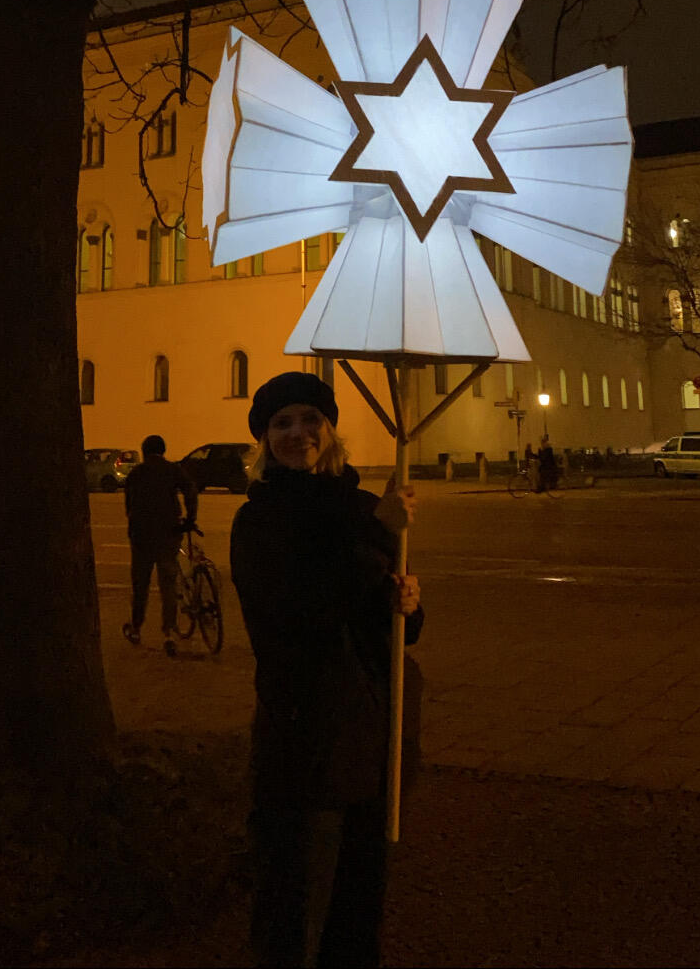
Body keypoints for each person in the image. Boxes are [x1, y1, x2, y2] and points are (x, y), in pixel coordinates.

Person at [231, 371, 423, 969]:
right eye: (282, 423)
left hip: (371, 730)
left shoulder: (363, 507)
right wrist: (375, 534)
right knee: (295, 900)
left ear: (330, 429)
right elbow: (296, 616)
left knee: (358, 905)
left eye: (310, 419)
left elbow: (390, 624)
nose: (299, 433)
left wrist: (407, 601)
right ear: (265, 441)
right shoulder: (259, 520)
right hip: (305, 733)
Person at [122, 434, 197, 657]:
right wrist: (190, 518)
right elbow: (190, 490)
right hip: (168, 533)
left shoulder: (136, 473)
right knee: (168, 585)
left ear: (144, 451)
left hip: (142, 537)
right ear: (163, 451)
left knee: (141, 584)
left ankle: (136, 627)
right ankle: (169, 633)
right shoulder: (172, 470)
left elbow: (129, 506)